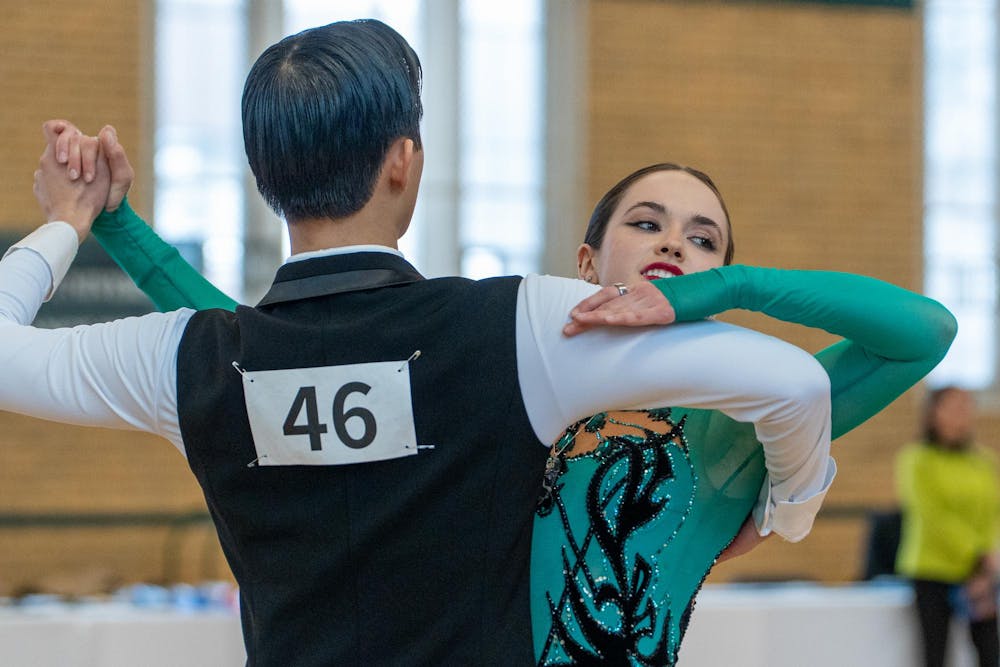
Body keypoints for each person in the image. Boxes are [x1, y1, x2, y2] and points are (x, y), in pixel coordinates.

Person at [7, 19, 838, 666]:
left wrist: (67, 223)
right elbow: (795, 385)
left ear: (264, 178)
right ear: (405, 161)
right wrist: (787, 511)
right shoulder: (517, 326)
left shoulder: (182, 357)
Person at [61, 125, 955, 662]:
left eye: (703, 239)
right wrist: (122, 227)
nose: (673, 243)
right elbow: (258, 355)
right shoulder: (509, 366)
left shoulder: (729, 438)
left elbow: (922, 332)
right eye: (646, 223)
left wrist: (728, 291)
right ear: (586, 263)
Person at [896, 386, 1000, 667]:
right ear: (933, 413)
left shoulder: (983, 462)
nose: (960, 415)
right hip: (932, 571)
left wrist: (989, 558)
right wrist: (977, 553)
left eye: (965, 407)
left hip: (979, 574)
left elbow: (992, 515)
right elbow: (933, 517)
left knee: (990, 651)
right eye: (952, 408)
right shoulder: (917, 460)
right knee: (936, 654)